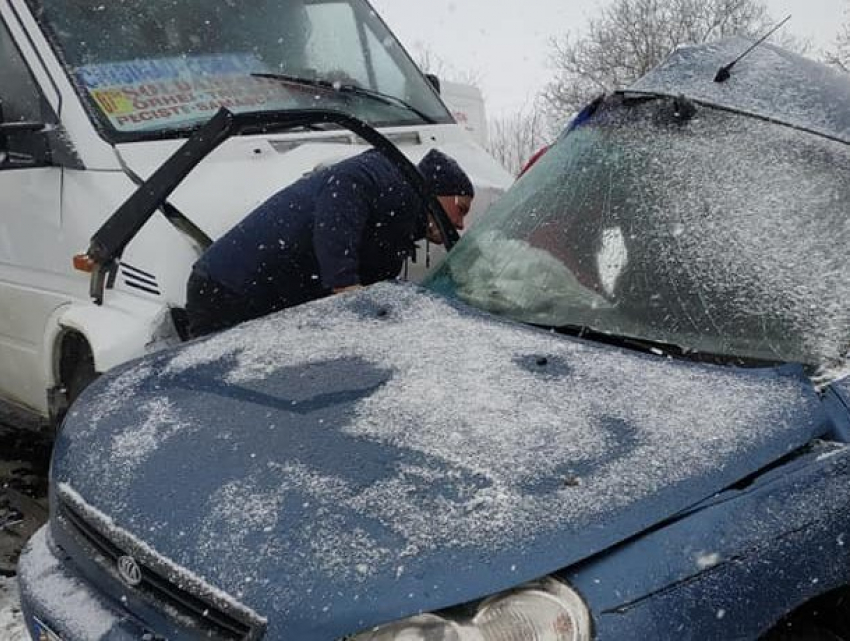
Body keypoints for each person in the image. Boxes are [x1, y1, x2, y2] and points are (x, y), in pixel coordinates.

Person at [185, 148, 474, 337]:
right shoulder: (384, 175)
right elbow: (346, 185)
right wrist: (345, 286)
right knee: (219, 406)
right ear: (437, 190)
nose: (460, 224)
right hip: (228, 289)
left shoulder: (400, 217)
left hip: (255, 298)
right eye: (460, 209)